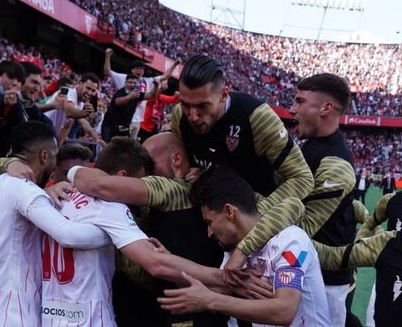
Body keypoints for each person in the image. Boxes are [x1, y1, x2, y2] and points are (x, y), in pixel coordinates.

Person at [70, 132, 297, 327]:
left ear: (176, 159)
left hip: (193, 316)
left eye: (150, 162)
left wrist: (71, 176)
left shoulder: (171, 189)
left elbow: (96, 183)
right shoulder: (201, 196)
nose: (146, 170)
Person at [171, 54, 314, 275]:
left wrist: (253, 218)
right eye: (185, 105)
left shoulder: (256, 117)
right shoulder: (179, 116)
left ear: (223, 95)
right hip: (208, 226)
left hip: (254, 240)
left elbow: (303, 179)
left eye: (202, 106)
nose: (193, 115)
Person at [0, 121, 110, 327]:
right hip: (13, 312)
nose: (54, 164)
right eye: (54, 155)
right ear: (44, 156)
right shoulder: (24, 189)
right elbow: (69, 235)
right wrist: (112, 233)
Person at [158, 167, 331, 327]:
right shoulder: (233, 252)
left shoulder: (291, 240)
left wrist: (211, 300)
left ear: (229, 212)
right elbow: (217, 290)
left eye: (209, 222)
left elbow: (284, 311)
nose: (209, 233)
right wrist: (170, 260)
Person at [282, 73, 357, 325]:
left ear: (326, 108)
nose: (292, 109)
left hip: (326, 281)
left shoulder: (335, 162)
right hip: (304, 266)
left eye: (300, 101)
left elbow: (304, 226)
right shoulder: (312, 145)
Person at [313, 191, 402, 326]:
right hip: (321, 273)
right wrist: (368, 243)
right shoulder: (393, 200)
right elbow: (371, 222)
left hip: (340, 280)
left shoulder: (354, 206)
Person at [104, 48, 180, 140]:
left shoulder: (147, 81)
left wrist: (175, 64)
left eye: (141, 69)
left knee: (131, 146)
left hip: (137, 119)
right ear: (132, 70)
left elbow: (164, 77)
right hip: (121, 119)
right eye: (137, 68)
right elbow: (108, 72)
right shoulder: (123, 78)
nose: (139, 71)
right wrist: (107, 57)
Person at [101, 74, 158, 142]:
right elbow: (118, 102)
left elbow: (150, 95)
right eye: (130, 82)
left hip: (124, 127)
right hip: (111, 126)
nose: (132, 84)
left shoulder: (136, 94)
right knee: (108, 147)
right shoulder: (121, 92)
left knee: (124, 147)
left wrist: (156, 86)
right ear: (125, 83)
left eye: (134, 83)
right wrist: (130, 96)